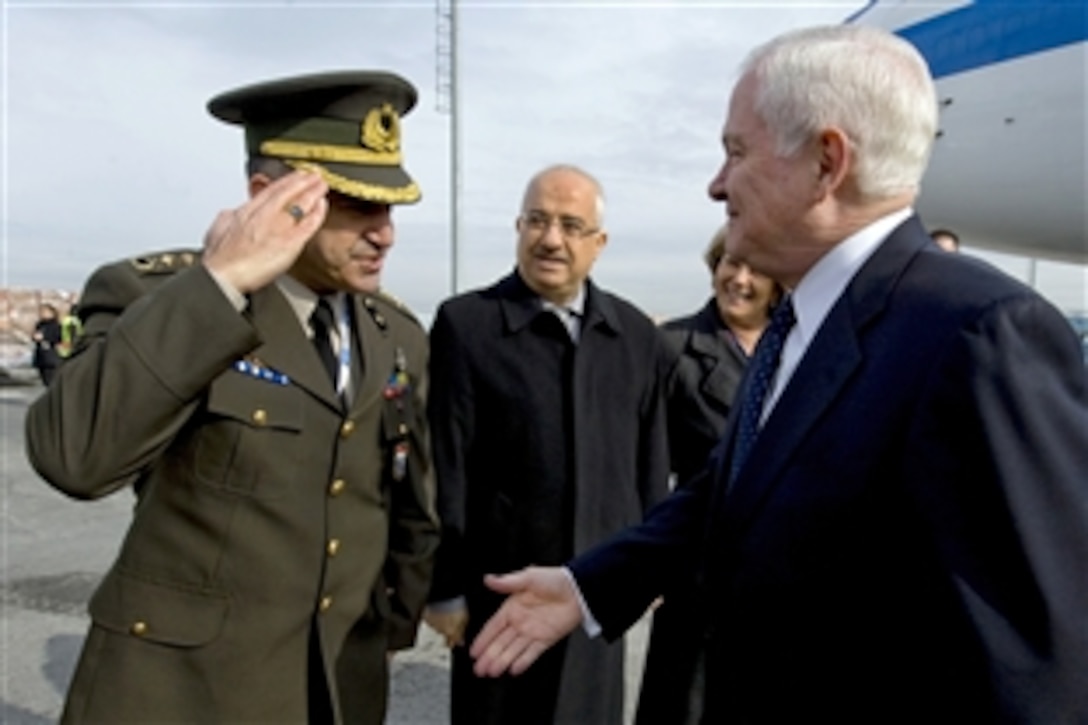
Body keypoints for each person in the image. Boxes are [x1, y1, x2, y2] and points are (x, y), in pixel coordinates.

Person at [469, 25, 1088, 723]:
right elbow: (736, 488)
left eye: (736, 151)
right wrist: (590, 586)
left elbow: (1039, 665)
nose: (716, 183)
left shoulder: (980, 332)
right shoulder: (805, 317)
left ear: (827, 162)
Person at [24, 71, 440, 725]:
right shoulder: (156, 299)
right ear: (267, 196)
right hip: (183, 695)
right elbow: (74, 455)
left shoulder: (397, 336)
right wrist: (221, 284)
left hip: (337, 690)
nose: (384, 232)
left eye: (390, 209)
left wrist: (389, 628)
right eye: (356, 205)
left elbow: (408, 505)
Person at [422, 164, 671, 724]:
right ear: (518, 227)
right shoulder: (467, 325)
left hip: (594, 593)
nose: (551, 239)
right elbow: (446, 463)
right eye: (537, 220)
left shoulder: (635, 336)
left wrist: (647, 569)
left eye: (570, 225)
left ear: (598, 243)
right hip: (500, 596)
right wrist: (445, 590)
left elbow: (651, 464)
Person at [637, 224, 781, 725]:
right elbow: (649, 458)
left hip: (777, 570)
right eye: (729, 264)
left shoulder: (795, 348)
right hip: (699, 562)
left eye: (755, 269)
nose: (739, 279)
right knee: (685, 702)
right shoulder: (673, 345)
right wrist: (648, 561)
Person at [30, 303, 62, 385]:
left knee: (51, 380)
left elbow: (58, 338)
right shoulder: (39, 324)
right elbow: (34, 336)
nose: (43, 314)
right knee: (44, 380)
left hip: (51, 357)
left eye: (45, 312)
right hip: (41, 356)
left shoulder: (56, 325)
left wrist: (45, 337)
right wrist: (34, 337)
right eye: (42, 312)